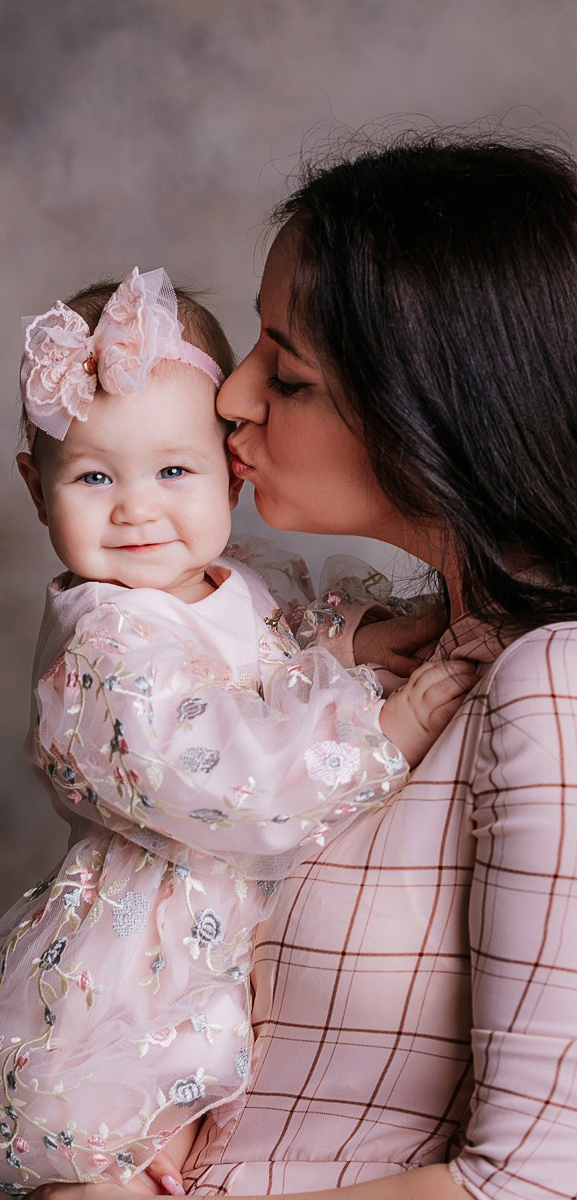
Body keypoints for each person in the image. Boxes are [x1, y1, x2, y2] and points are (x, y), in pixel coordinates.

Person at [30, 135, 577, 1200]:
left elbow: (530, 1182)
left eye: (285, 373)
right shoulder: (357, 660)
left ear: (439, 408)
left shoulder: (548, 686)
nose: (228, 397)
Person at [0, 266, 472, 1200]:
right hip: (141, 950)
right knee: (91, 1158)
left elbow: (277, 652)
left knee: (191, 1135)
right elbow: (208, 774)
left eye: (173, 470)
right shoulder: (101, 639)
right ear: (33, 487)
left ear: (230, 473)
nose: (136, 508)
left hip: (232, 940)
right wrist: (390, 724)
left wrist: (358, 643)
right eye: (94, 476)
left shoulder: (233, 581)